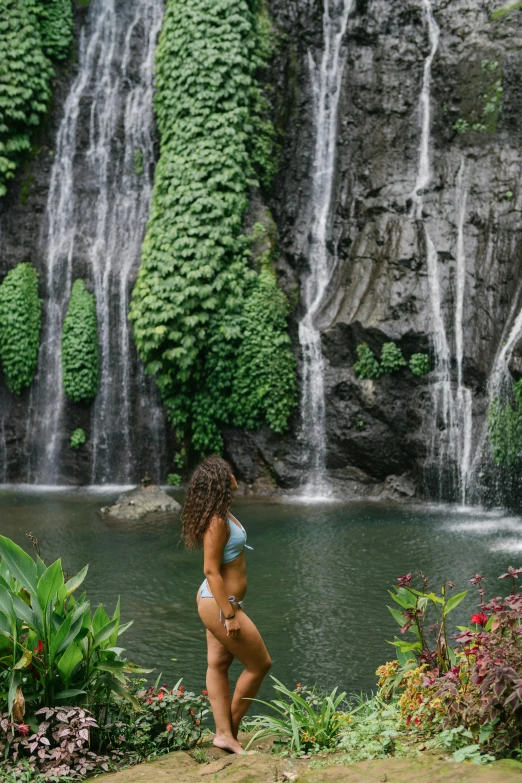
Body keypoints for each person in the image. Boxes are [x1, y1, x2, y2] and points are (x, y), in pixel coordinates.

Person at [181, 455, 272, 754]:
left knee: (219, 664)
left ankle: (224, 734)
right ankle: (228, 731)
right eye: (228, 472)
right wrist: (230, 614)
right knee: (260, 664)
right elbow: (210, 570)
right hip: (220, 604)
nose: (235, 474)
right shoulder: (217, 521)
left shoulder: (222, 513)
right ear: (221, 480)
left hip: (220, 601)